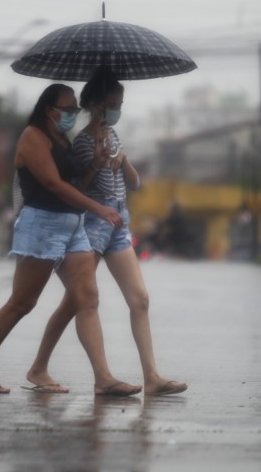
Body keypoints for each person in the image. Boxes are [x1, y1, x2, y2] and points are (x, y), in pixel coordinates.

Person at [0, 83, 142, 397]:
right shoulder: (32, 137)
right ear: (49, 110)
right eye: (67, 109)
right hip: (42, 225)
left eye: (76, 109)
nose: (73, 114)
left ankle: (103, 377)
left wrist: (96, 162)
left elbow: (78, 182)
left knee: (87, 297)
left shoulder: (62, 138)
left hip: (73, 227)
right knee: (23, 303)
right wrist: (98, 208)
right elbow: (53, 184)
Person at [26, 68, 188, 396]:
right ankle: (42, 366)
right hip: (93, 224)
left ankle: (152, 376)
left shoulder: (114, 137)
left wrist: (122, 158)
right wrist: (98, 161)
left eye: (120, 104)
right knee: (77, 301)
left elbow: (135, 182)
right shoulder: (84, 143)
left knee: (140, 299)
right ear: (96, 106)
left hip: (119, 224)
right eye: (112, 104)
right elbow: (81, 187)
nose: (116, 110)